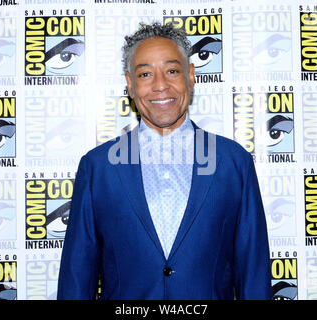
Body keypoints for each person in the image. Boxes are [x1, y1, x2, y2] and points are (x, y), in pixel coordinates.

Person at [57, 22, 271, 300]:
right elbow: (77, 276)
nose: (160, 85)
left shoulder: (233, 163)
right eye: (145, 74)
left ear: (190, 76)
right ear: (130, 85)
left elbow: (254, 273)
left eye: (172, 71)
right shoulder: (98, 168)